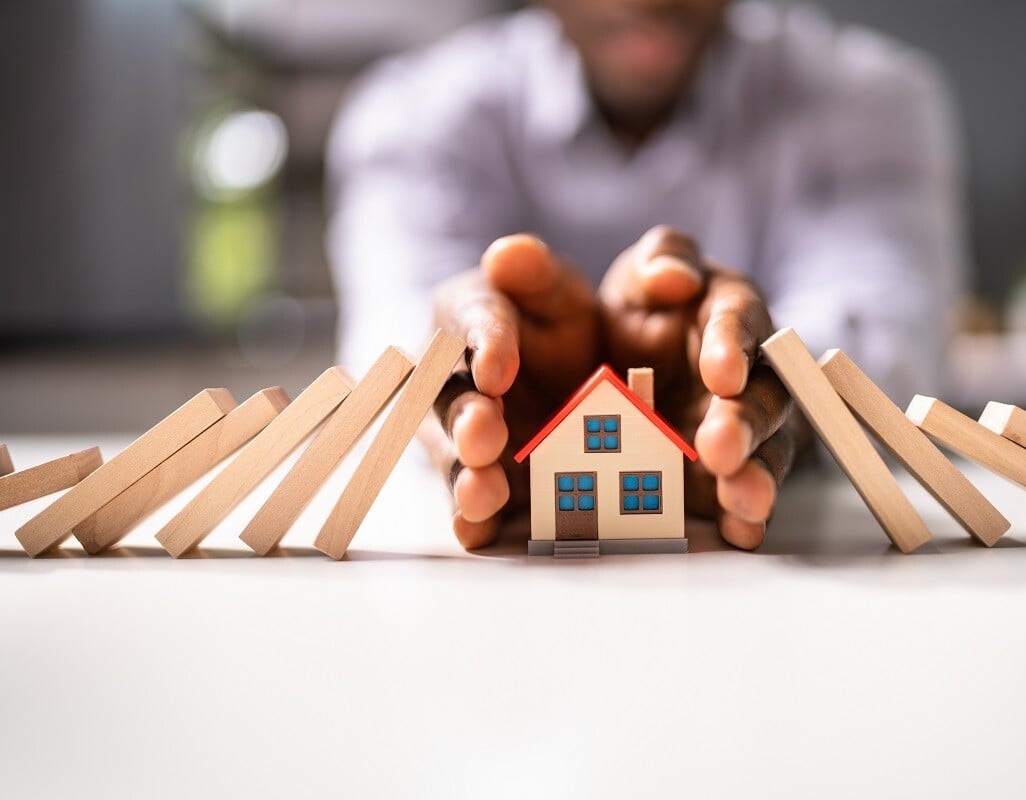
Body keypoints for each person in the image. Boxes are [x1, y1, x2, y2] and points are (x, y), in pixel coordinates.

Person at [326, 0, 964, 550]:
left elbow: (888, 345)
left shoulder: (869, 95)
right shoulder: (414, 111)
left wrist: (768, 399)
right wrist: (462, 390)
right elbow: (390, 346)